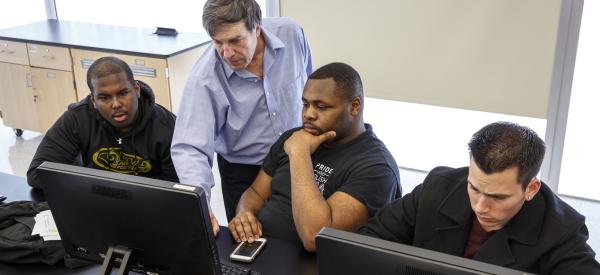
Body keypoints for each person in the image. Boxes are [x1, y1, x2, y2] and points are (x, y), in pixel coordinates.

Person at [359, 122, 600, 274]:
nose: (481, 207)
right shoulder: (438, 187)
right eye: (474, 188)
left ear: (532, 188)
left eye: (498, 197)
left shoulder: (561, 230)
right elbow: (365, 242)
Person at [171, 0, 313, 232]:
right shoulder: (205, 78)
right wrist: (199, 204)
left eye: (236, 40)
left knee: (303, 237)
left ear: (257, 28)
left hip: (298, 157)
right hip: (244, 172)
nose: (227, 53)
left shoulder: (291, 33)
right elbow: (190, 147)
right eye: (218, 43)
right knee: (252, 242)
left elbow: (311, 85)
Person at [228, 63, 401, 252]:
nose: (308, 114)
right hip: (256, 250)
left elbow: (315, 237)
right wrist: (245, 213)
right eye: (305, 104)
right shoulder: (294, 138)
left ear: (354, 106)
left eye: (321, 106)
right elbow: (256, 192)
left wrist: (300, 154)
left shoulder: (377, 168)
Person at [27, 56, 179, 188]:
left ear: (137, 90)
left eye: (123, 93)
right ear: (93, 101)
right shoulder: (77, 119)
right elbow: (37, 174)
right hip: (94, 202)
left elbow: (180, 189)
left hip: (150, 207)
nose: (116, 104)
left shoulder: (167, 127)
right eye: (104, 98)